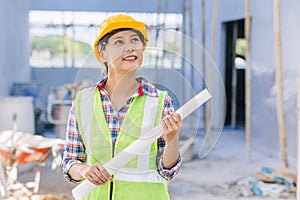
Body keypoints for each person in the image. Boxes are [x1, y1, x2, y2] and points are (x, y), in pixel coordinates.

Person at [62, 14, 182, 200]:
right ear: (102, 53)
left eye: (135, 40)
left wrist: (171, 139)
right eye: (119, 42)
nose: (130, 47)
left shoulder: (159, 101)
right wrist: (85, 170)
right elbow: (70, 161)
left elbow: (168, 170)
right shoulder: (82, 102)